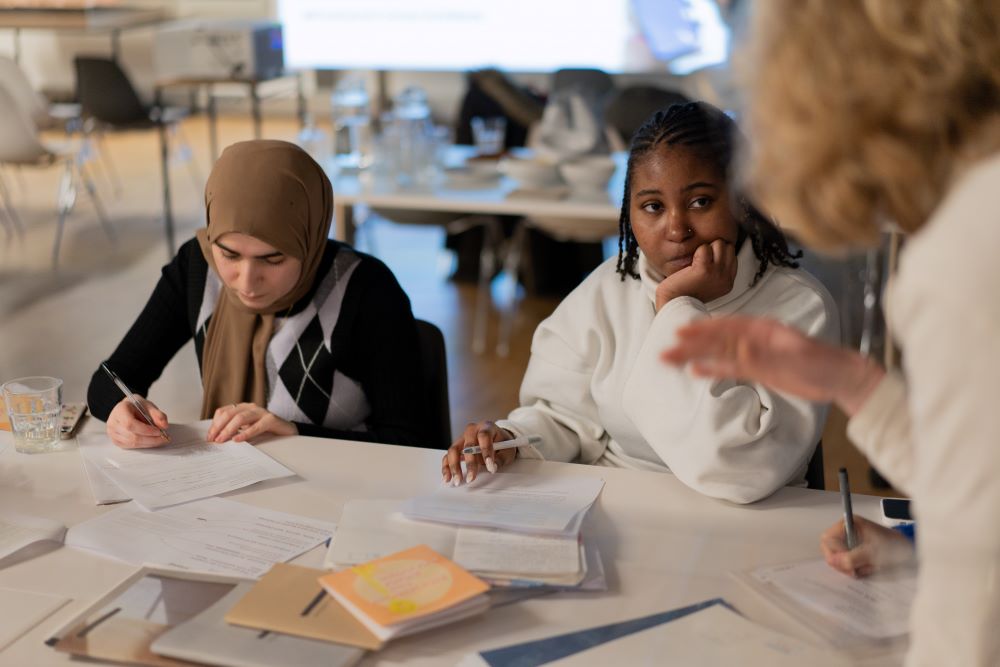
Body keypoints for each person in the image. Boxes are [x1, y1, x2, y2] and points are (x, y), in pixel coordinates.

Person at [660, 2, 1000, 663]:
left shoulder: (964, 257)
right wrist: (854, 384)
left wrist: (951, 560)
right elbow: (982, 497)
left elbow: (973, 619)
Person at [442, 102, 839, 504]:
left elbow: (739, 468)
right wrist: (511, 439)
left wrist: (678, 307)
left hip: (750, 517)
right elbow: (562, 416)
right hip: (616, 502)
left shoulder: (799, 307)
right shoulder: (610, 287)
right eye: (653, 207)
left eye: (700, 202)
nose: (677, 229)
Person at [88, 140, 428, 449]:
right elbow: (111, 376)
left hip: (343, 486)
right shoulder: (197, 266)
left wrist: (295, 432)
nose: (247, 281)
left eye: (273, 259)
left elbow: (414, 442)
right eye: (229, 254)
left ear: (309, 242)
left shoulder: (367, 290)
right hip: (228, 484)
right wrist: (121, 409)